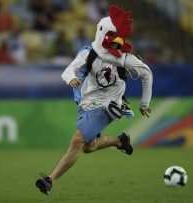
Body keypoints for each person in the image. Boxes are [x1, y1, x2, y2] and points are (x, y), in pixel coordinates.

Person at [35, 5, 153, 195]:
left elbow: (146, 73)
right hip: (87, 102)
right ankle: (119, 142)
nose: (116, 47)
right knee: (88, 147)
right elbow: (68, 70)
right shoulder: (88, 54)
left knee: (78, 139)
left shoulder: (125, 59)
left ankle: (50, 180)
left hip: (110, 105)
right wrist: (70, 78)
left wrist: (144, 102)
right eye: (113, 42)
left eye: (119, 43)